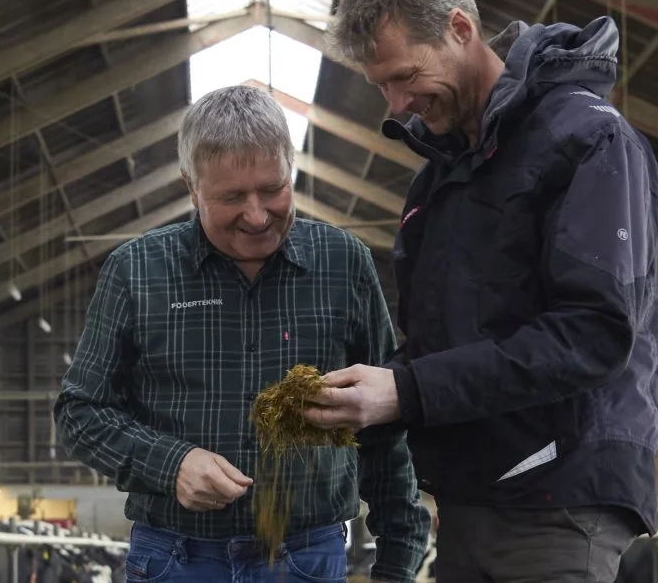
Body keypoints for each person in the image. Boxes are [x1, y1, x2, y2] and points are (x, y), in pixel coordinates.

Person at [303, 0, 658, 582]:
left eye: (405, 77)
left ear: (460, 28)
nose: (396, 105)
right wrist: (363, 395)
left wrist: (406, 391)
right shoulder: (439, 185)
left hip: (557, 496)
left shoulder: (587, 139)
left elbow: (594, 333)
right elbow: (444, 347)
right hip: (473, 497)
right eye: (381, 85)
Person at [53, 84, 431, 583]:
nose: (256, 216)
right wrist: (172, 464)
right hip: (176, 558)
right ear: (192, 187)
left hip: (307, 557)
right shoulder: (137, 270)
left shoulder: (344, 263)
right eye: (231, 197)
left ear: (290, 168)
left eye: (273, 189)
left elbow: (384, 421)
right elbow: (79, 411)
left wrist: (397, 559)